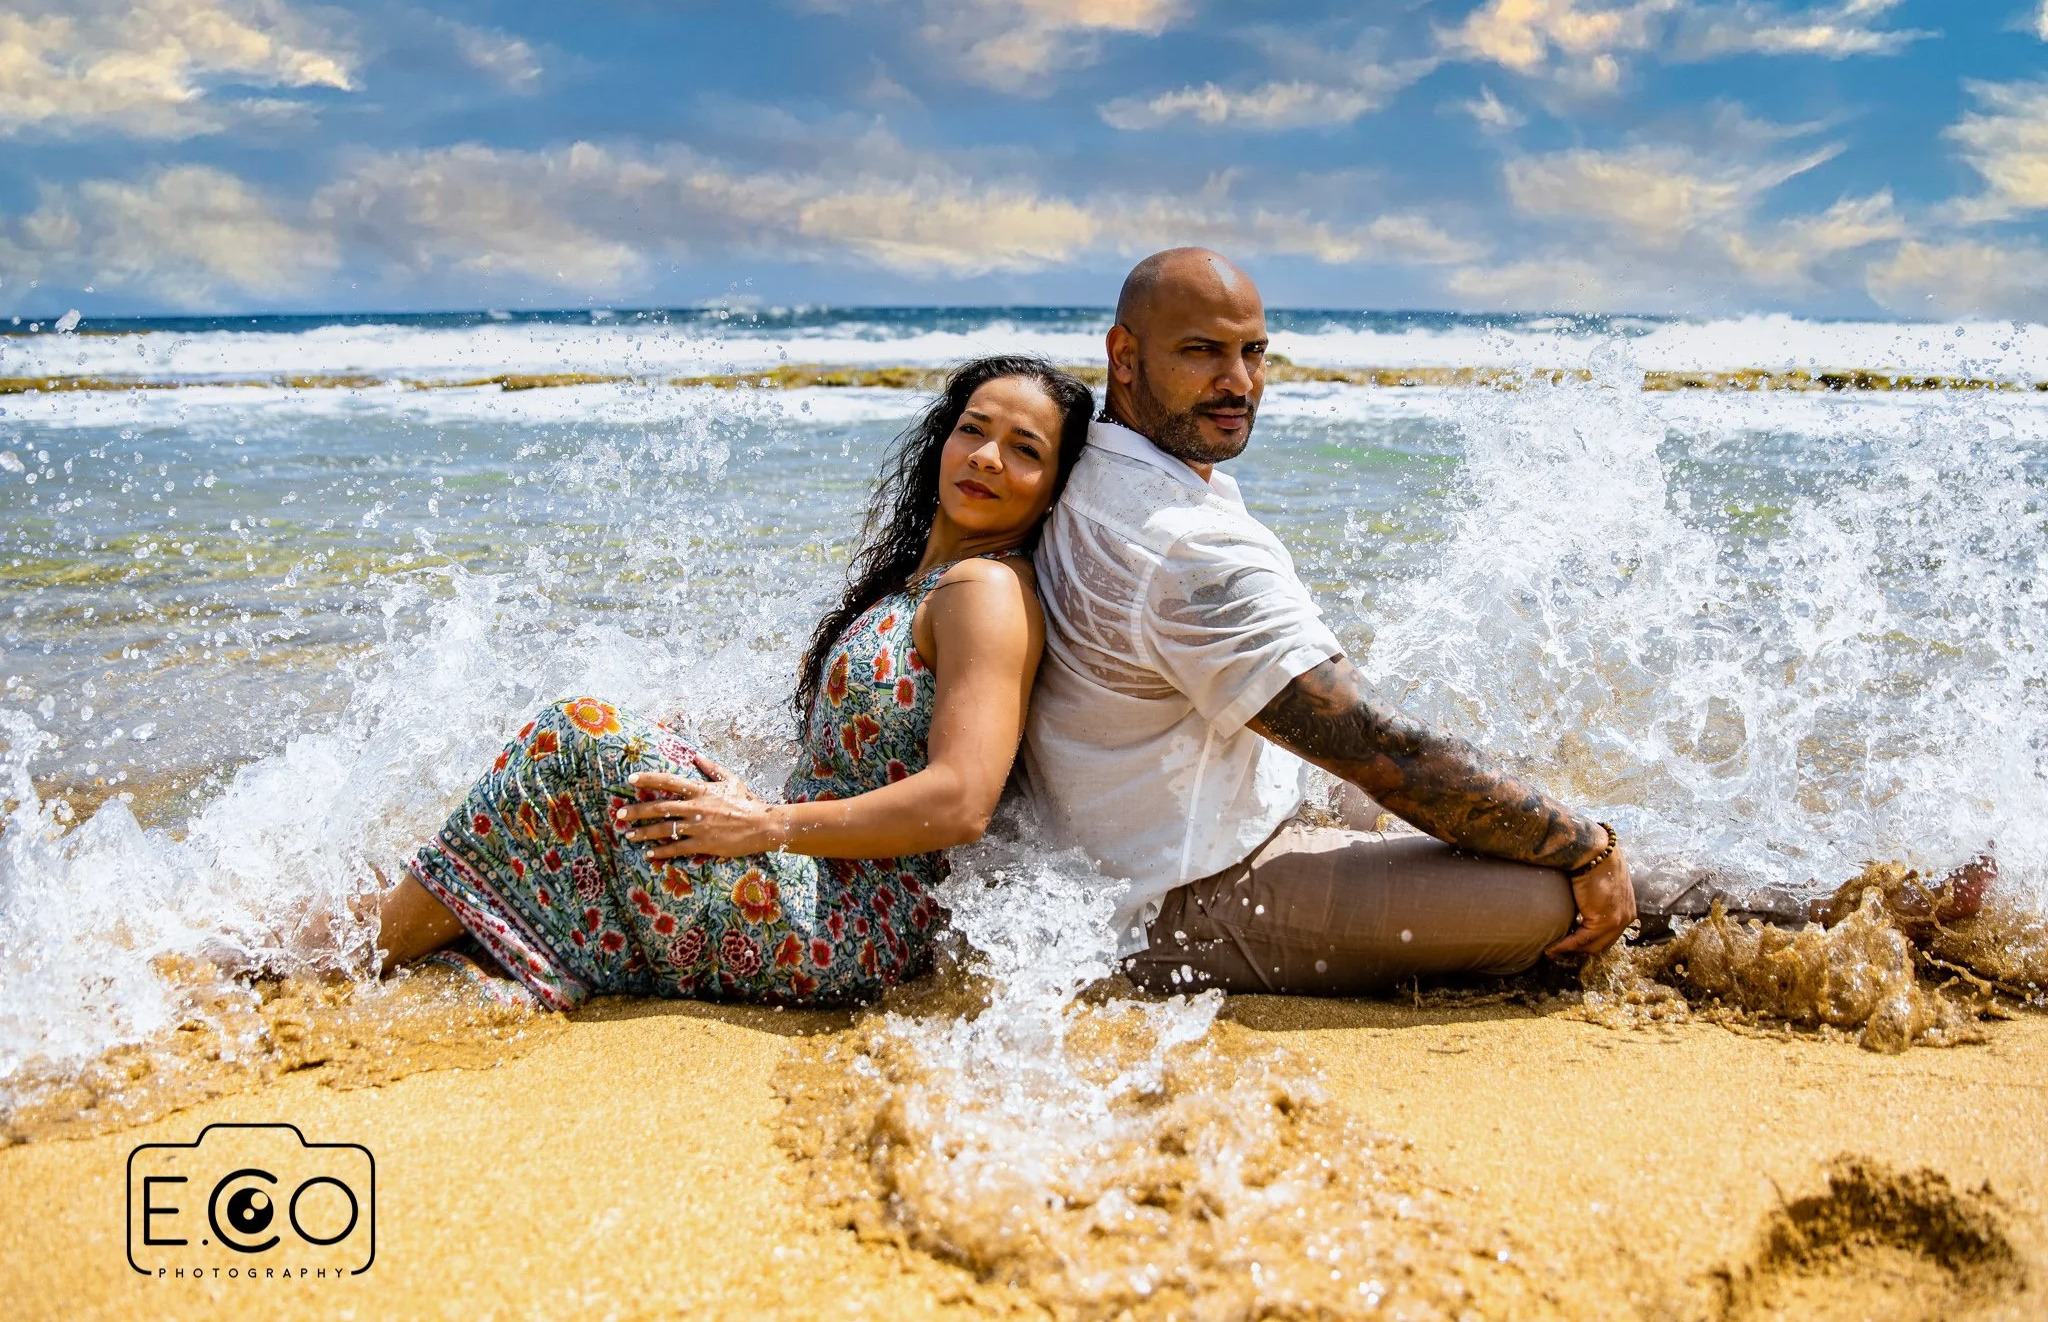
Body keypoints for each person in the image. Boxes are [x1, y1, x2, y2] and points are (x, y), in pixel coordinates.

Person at [374, 355, 1093, 1009]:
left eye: (1025, 450)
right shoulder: (924, 583)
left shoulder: (985, 591)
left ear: (1054, 492)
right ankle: (454, 946)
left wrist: (766, 826)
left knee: (573, 735)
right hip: (815, 880)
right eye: (974, 430)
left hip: (849, 923)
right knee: (609, 779)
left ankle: (365, 953)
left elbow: (961, 800)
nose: (988, 457)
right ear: (944, 440)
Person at [1023, 249, 1636, 996]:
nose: (1238, 382)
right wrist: (1586, 849)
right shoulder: (1179, 541)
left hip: (1161, 830)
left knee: (1510, 810)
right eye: (1202, 352)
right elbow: (1373, 743)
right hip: (1176, 897)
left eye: (1253, 352)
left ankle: (1722, 890)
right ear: (1124, 356)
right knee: (1557, 896)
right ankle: (1750, 925)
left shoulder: (1083, 473)